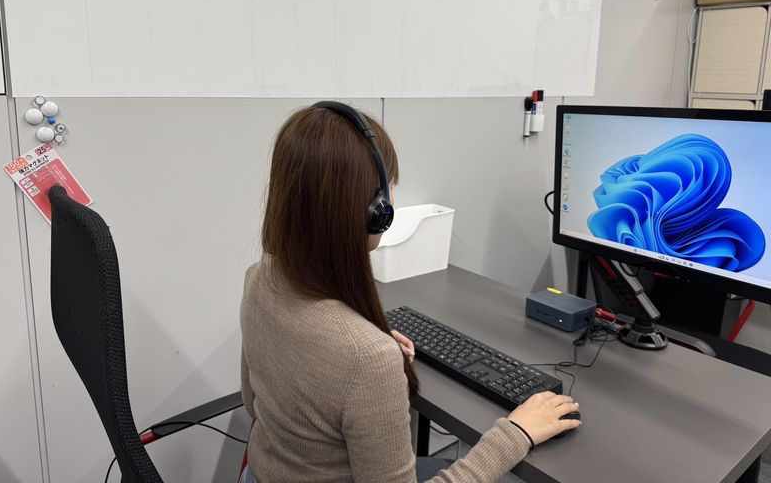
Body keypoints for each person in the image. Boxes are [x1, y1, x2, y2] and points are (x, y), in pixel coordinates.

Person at [239, 102, 581, 483]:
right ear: (375, 213)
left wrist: (366, 341)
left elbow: (253, 404)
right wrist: (515, 432)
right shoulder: (367, 359)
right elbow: (352, 359)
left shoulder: (259, 280)